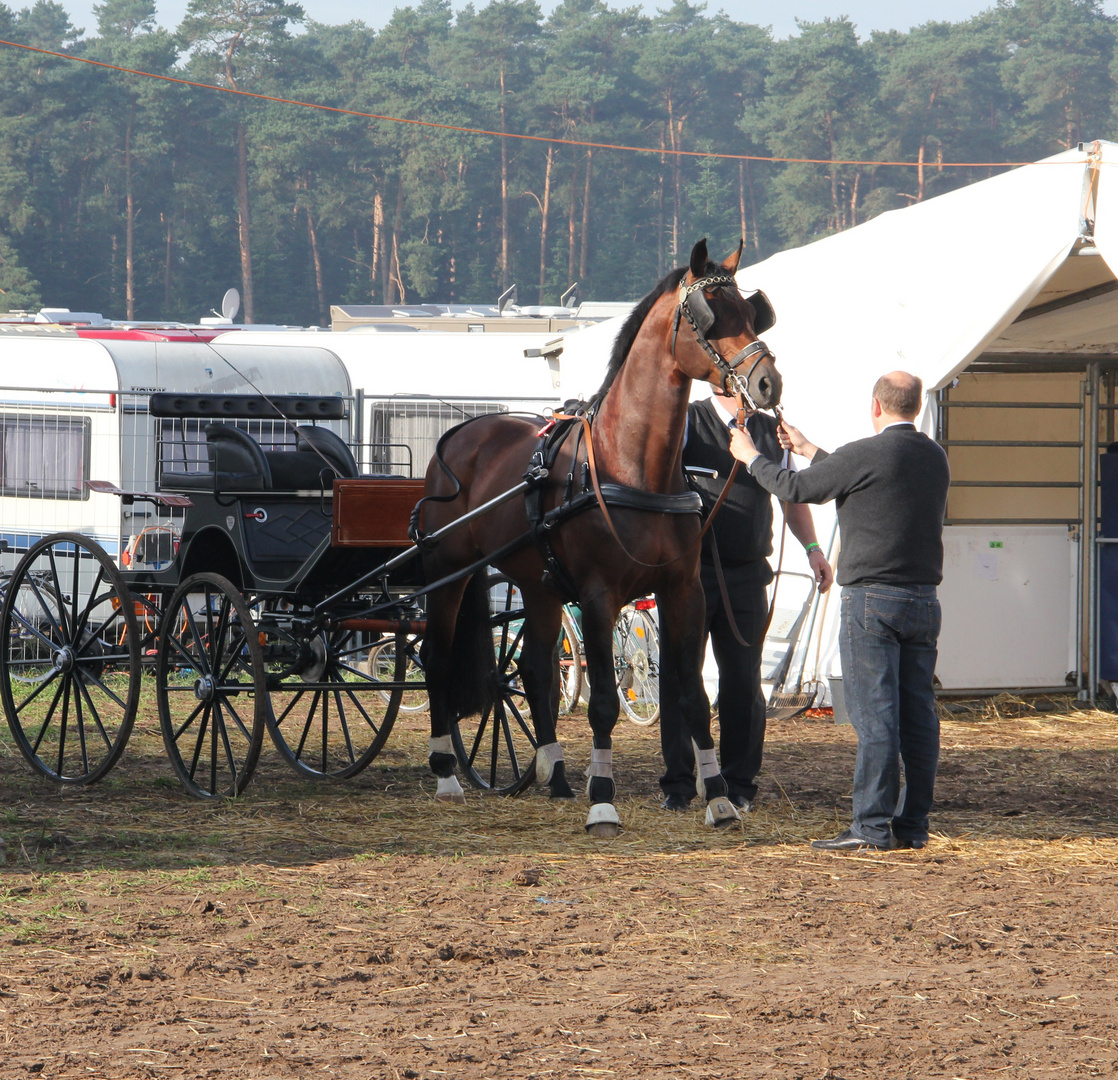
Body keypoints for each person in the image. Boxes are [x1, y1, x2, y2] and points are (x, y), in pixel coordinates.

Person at [728, 370, 950, 852]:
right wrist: (810, 448)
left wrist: (750, 458)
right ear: (913, 406)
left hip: (872, 599)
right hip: (922, 601)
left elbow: (796, 489)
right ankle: (912, 826)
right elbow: (866, 480)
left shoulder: (863, 452)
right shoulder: (934, 456)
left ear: (875, 405)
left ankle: (870, 827)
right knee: (918, 717)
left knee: (876, 719)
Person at [658, 390, 833, 813]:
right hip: (690, 575)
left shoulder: (772, 431)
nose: (759, 390)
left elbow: (790, 498)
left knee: (743, 682)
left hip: (747, 573)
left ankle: (738, 784)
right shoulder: (688, 420)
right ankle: (679, 785)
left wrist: (812, 548)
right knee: (680, 678)